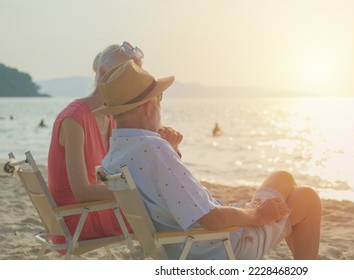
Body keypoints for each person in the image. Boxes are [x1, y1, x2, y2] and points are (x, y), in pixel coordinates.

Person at [97, 60, 322, 260]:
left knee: (282, 177)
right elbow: (211, 220)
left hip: (180, 246)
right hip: (219, 246)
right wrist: (258, 214)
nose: (159, 103)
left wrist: (172, 152)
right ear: (147, 106)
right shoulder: (152, 148)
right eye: (159, 97)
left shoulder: (115, 154)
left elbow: (163, 195)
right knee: (306, 197)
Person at [47, 42, 182, 247]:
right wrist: (141, 191)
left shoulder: (111, 118)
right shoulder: (73, 119)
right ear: (103, 72)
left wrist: (167, 148)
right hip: (76, 219)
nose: (129, 83)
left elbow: (132, 166)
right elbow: (81, 192)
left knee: (170, 206)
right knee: (168, 212)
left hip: (96, 211)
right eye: (123, 73)